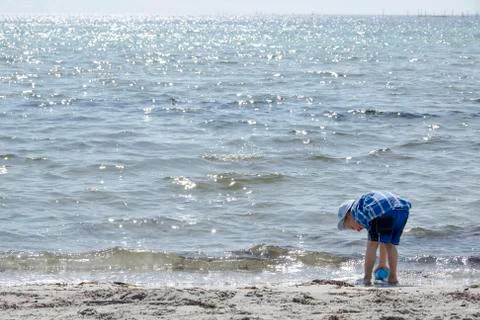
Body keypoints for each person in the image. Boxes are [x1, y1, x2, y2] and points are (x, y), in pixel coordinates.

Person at [337, 191, 411, 285]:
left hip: (380, 209)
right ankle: (393, 277)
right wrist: (382, 263)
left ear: (348, 215)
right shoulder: (366, 204)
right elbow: (383, 241)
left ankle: (367, 278)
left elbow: (373, 243)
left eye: (352, 227)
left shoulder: (355, 210)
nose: (357, 230)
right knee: (390, 243)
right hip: (402, 208)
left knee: (372, 243)